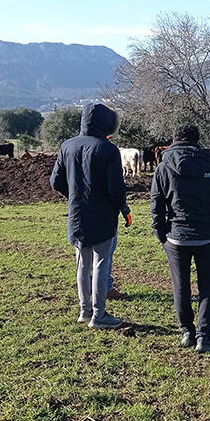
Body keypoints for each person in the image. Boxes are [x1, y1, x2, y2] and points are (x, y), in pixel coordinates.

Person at [150, 123, 210, 353]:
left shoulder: (163, 167)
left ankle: (187, 331)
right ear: (197, 140)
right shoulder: (209, 166)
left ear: (174, 140)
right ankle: (204, 335)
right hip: (206, 236)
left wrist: (162, 234)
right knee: (206, 286)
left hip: (176, 237)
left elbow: (156, 206)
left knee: (180, 286)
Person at [49, 103, 127, 330]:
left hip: (77, 214)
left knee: (82, 263)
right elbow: (115, 189)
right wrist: (122, 207)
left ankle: (85, 311)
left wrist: (73, 196)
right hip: (103, 215)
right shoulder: (108, 149)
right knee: (102, 263)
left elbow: (56, 182)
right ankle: (99, 315)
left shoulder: (67, 145)